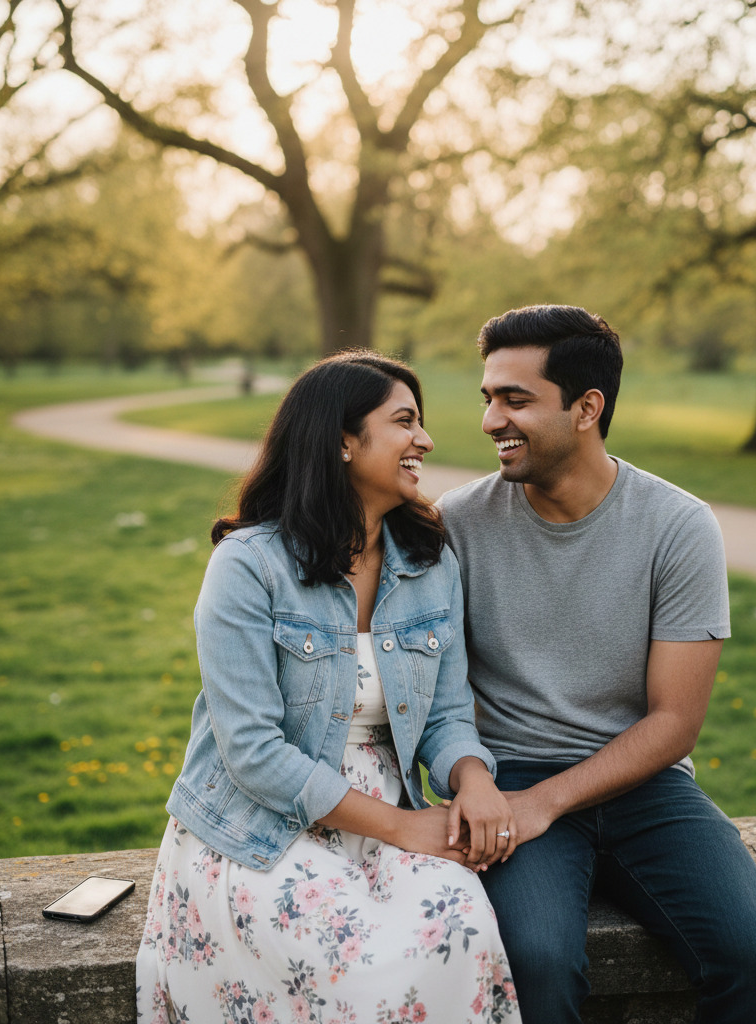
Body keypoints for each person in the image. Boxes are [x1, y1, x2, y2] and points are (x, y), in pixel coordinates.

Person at [438, 305, 756, 1024]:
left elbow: (674, 724)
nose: (490, 421)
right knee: (535, 963)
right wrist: (498, 789)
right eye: (488, 398)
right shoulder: (457, 523)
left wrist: (549, 803)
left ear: (586, 408)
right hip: (512, 780)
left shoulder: (678, 525)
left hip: (645, 785)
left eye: (516, 399)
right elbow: (441, 695)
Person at [137, 351, 522, 1024]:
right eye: (405, 421)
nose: (425, 441)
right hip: (260, 822)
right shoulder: (249, 567)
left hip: (385, 808)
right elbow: (252, 751)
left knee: (461, 920)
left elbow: (449, 711)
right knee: (356, 968)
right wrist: (404, 827)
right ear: (342, 440)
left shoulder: (429, 562)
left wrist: (473, 779)